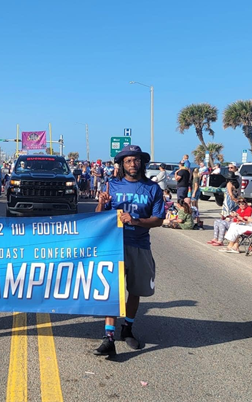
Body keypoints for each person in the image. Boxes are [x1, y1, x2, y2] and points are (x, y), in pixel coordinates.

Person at [94, 144, 164, 357]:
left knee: (134, 290)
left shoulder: (153, 189)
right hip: (114, 246)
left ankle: (128, 328)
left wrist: (136, 220)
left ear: (141, 163)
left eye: (136, 160)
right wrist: (101, 204)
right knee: (112, 290)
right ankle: (108, 336)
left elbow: (158, 220)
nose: (133, 164)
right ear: (122, 165)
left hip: (140, 245)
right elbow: (99, 218)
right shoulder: (112, 186)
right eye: (128, 161)